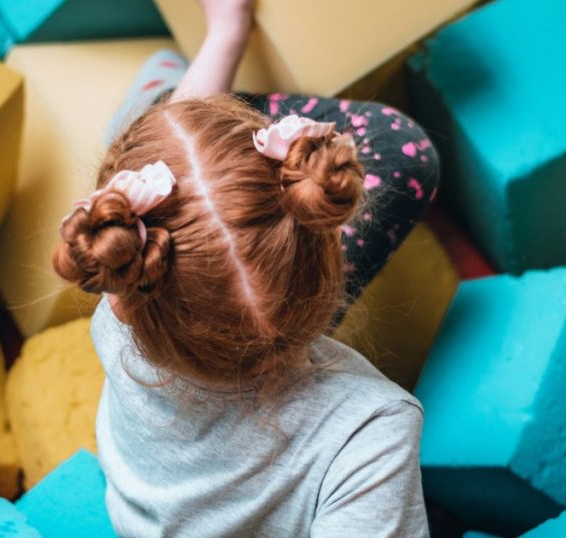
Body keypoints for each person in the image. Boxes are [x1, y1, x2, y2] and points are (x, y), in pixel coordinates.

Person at [53, 0, 440, 535]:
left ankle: (156, 98)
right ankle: (159, 101)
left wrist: (224, 36)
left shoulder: (122, 286)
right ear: (331, 271)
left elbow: (171, 181)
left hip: (141, 514)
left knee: (168, 125)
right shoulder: (372, 434)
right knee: (407, 152)